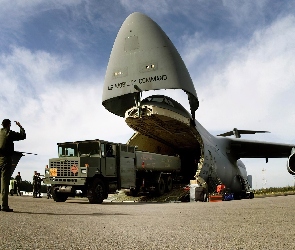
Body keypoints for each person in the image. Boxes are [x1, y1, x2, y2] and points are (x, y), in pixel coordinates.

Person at [0, 119, 26, 212]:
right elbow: (23, 136)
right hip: (5, 160)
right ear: (9, 125)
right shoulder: (9, 133)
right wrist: (20, 126)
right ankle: (4, 205)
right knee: (4, 183)